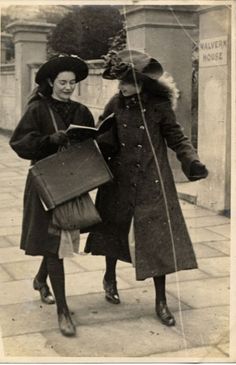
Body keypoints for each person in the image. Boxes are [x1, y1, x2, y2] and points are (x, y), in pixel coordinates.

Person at [85, 49, 208, 326]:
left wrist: (191, 161)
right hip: (119, 178)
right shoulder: (115, 103)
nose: (121, 87)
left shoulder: (159, 106)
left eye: (126, 82)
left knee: (156, 239)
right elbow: (101, 133)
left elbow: (177, 137)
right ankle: (110, 276)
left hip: (152, 180)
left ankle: (161, 301)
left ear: (141, 82)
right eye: (119, 82)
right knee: (113, 230)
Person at [9, 54, 94, 337]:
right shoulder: (38, 109)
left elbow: (91, 145)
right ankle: (63, 311)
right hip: (45, 183)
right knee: (55, 242)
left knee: (58, 240)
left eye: (72, 83)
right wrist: (50, 141)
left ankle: (40, 280)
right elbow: (20, 143)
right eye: (63, 83)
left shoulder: (82, 111)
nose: (68, 88)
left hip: (71, 183)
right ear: (51, 82)